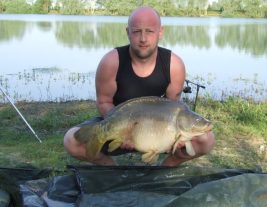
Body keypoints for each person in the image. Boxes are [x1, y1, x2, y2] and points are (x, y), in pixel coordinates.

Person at [64, 6, 215, 166]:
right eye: (137, 31)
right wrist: (123, 129)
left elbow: (173, 106)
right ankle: (113, 171)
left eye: (149, 31)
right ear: (128, 32)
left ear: (160, 32)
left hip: (160, 134)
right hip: (119, 128)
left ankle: (164, 170)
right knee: (71, 141)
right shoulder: (111, 61)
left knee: (206, 140)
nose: (143, 38)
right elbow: (104, 102)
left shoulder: (174, 65)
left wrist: (175, 138)